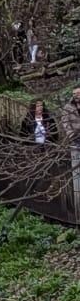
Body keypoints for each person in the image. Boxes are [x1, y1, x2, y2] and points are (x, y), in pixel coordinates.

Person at [62, 88, 80, 217]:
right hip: (76, 139)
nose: (76, 96)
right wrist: (71, 135)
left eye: (78, 93)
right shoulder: (68, 107)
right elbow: (65, 123)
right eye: (74, 94)